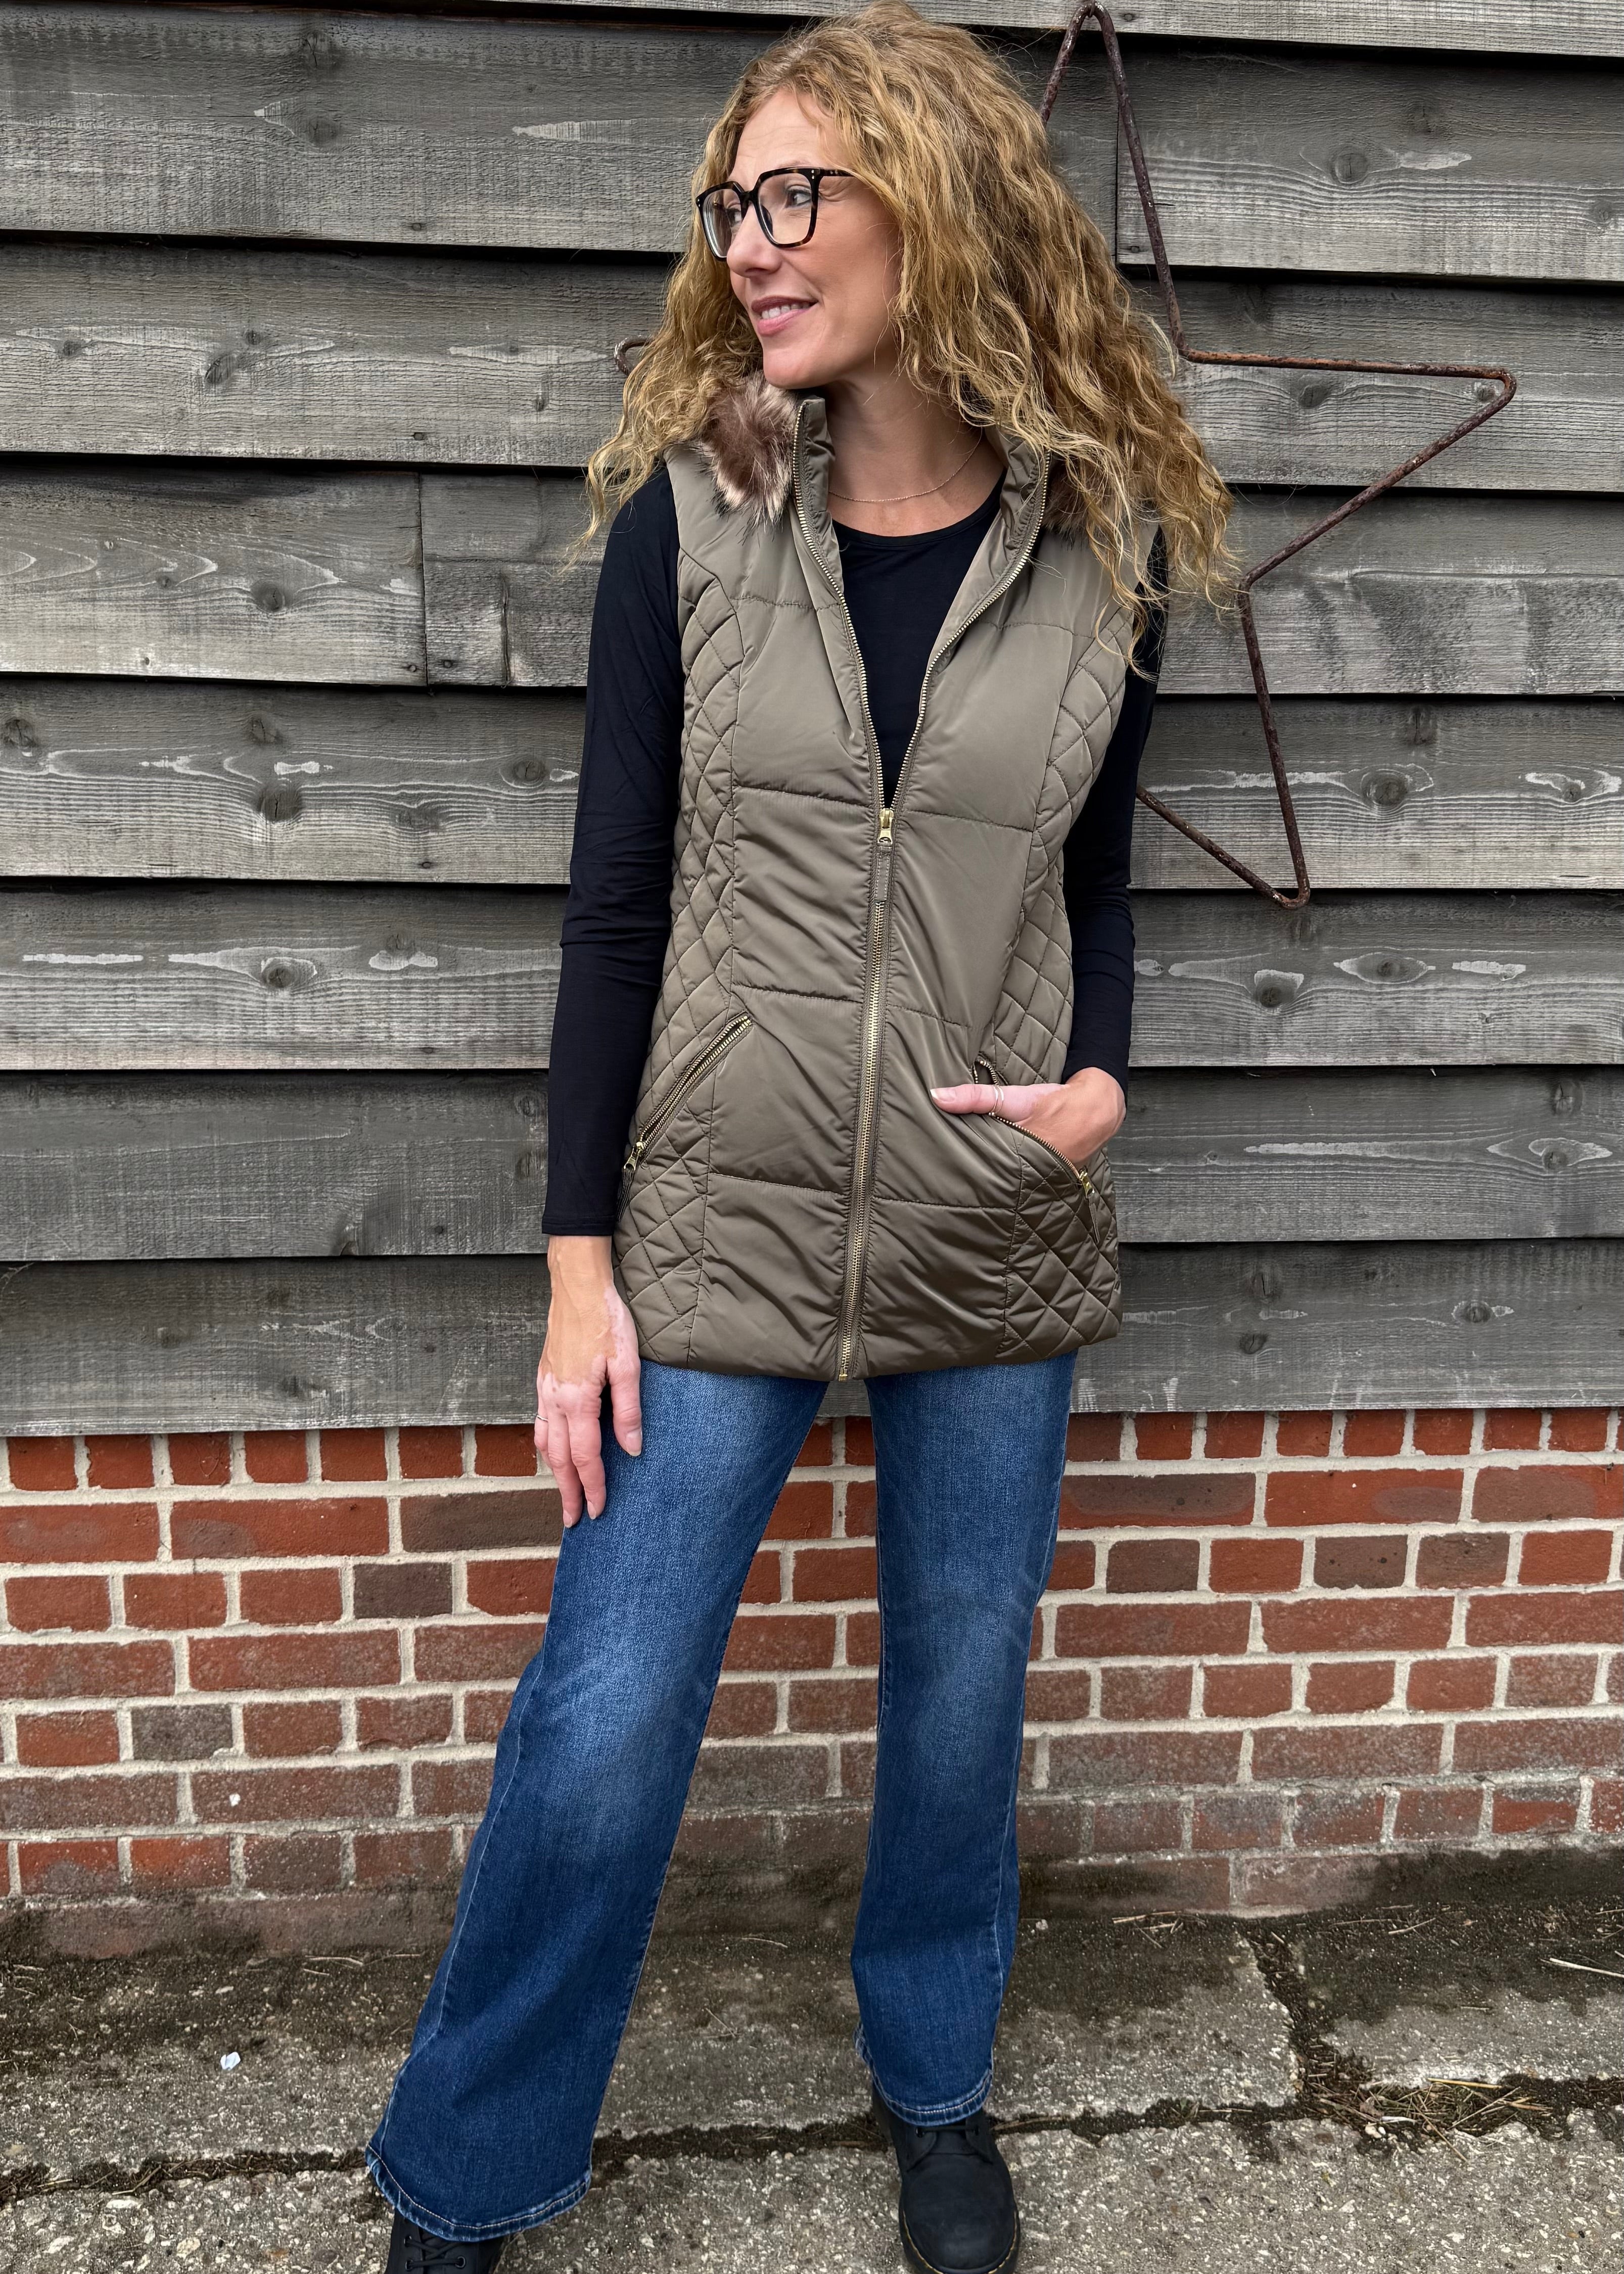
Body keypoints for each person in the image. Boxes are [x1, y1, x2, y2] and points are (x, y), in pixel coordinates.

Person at [367, 5, 1236, 2268]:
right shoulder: (700, 529)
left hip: (988, 1221)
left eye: (792, 194)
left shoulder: (1101, 551)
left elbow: (1101, 876)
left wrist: (1104, 1089)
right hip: (713, 1226)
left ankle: (936, 2086)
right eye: (728, 206)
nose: (747, 246)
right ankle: (467, 2173)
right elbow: (613, 905)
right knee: (610, 1701)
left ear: (932, 204)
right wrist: (578, 1266)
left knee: (961, 1687)